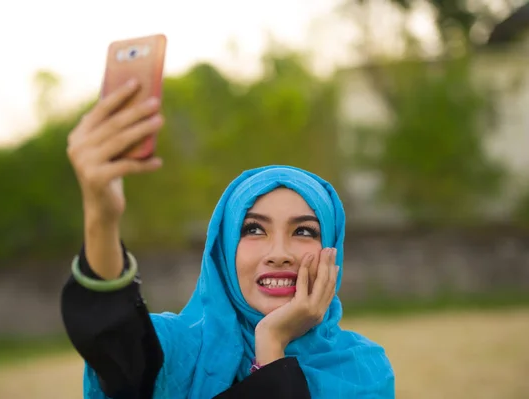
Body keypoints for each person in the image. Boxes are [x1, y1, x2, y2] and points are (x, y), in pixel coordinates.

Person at [61, 79, 395, 398]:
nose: (279, 253)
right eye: (253, 229)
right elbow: (111, 333)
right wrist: (102, 216)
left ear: (331, 252)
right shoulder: (173, 350)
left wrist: (271, 344)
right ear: (222, 251)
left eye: (304, 231)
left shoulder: (363, 370)